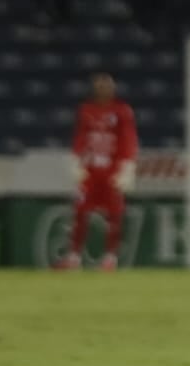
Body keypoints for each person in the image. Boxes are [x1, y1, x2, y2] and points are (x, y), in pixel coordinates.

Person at [57, 73, 138, 272]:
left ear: (113, 88)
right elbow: (81, 137)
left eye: (106, 86)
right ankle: (73, 257)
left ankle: (110, 258)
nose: (103, 89)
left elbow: (128, 139)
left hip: (111, 172)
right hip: (91, 172)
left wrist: (127, 166)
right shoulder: (86, 110)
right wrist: (76, 161)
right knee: (80, 212)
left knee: (115, 215)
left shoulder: (122, 111)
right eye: (99, 86)